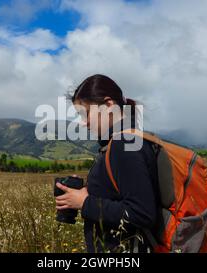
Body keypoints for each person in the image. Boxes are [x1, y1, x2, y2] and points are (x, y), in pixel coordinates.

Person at [54, 74, 159, 253]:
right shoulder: (121, 142)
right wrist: (90, 192)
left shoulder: (125, 143)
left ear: (109, 105)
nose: (83, 122)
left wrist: (85, 202)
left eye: (85, 113)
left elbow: (142, 213)